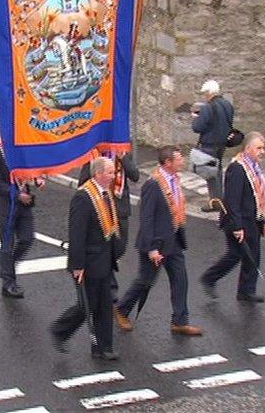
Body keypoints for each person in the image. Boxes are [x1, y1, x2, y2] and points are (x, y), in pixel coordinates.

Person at [115, 146, 202, 336]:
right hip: (156, 244)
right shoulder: (153, 184)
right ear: (168, 163)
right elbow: (147, 218)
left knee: (180, 280)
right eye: (179, 159)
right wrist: (152, 248)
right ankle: (122, 309)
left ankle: (179, 321)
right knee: (145, 281)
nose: (183, 161)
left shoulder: (174, 179)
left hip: (174, 241)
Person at [51, 157, 123, 360]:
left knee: (105, 304)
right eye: (110, 172)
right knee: (88, 304)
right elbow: (77, 233)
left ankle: (103, 347)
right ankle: (60, 330)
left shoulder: (105, 193)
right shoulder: (83, 197)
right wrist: (77, 265)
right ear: (98, 174)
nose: (113, 176)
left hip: (105, 259)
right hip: (89, 261)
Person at [200, 132, 265, 303]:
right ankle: (209, 278)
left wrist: (262, 219)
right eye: (258, 148)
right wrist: (237, 226)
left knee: (253, 255)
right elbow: (232, 200)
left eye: (263, 148)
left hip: (252, 219)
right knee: (236, 254)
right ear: (247, 149)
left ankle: (246, 291)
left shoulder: (253, 166)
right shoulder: (237, 169)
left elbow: (257, 194)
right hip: (237, 220)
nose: (262, 151)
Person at [78, 150, 139, 302]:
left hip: (120, 208)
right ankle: (109, 286)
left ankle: (105, 276)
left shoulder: (124, 150)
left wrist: (123, 157)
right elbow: (82, 182)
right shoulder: (93, 153)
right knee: (105, 248)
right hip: (101, 208)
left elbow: (135, 175)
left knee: (119, 248)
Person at [0, 140, 44, 298]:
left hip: (23, 203)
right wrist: (17, 195)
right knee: (7, 244)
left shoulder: (22, 147)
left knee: (27, 239)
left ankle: (7, 266)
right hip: (4, 206)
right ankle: (8, 284)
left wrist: (36, 179)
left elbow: (29, 169)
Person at [193, 80, 234, 211]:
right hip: (222, 143)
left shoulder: (207, 107)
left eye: (205, 93)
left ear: (210, 93)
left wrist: (195, 117)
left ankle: (215, 202)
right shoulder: (227, 104)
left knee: (210, 174)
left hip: (210, 144)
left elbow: (197, 127)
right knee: (218, 171)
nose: (205, 96)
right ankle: (220, 198)